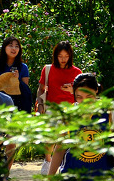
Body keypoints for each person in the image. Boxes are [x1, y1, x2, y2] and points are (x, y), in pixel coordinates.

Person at [35, 41, 83, 174]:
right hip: (52, 107)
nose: (63, 59)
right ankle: (47, 161)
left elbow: (81, 93)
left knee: (67, 139)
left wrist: (70, 90)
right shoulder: (48, 69)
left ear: (70, 56)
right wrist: (40, 104)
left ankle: (65, 164)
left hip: (70, 109)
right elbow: (41, 89)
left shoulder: (77, 72)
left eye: (66, 56)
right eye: (60, 56)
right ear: (55, 56)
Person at [0, 37, 33, 113]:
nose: (14, 48)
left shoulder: (23, 67)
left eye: (17, 46)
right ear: (4, 47)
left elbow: (25, 90)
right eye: (10, 45)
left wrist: (17, 80)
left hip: (16, 104)